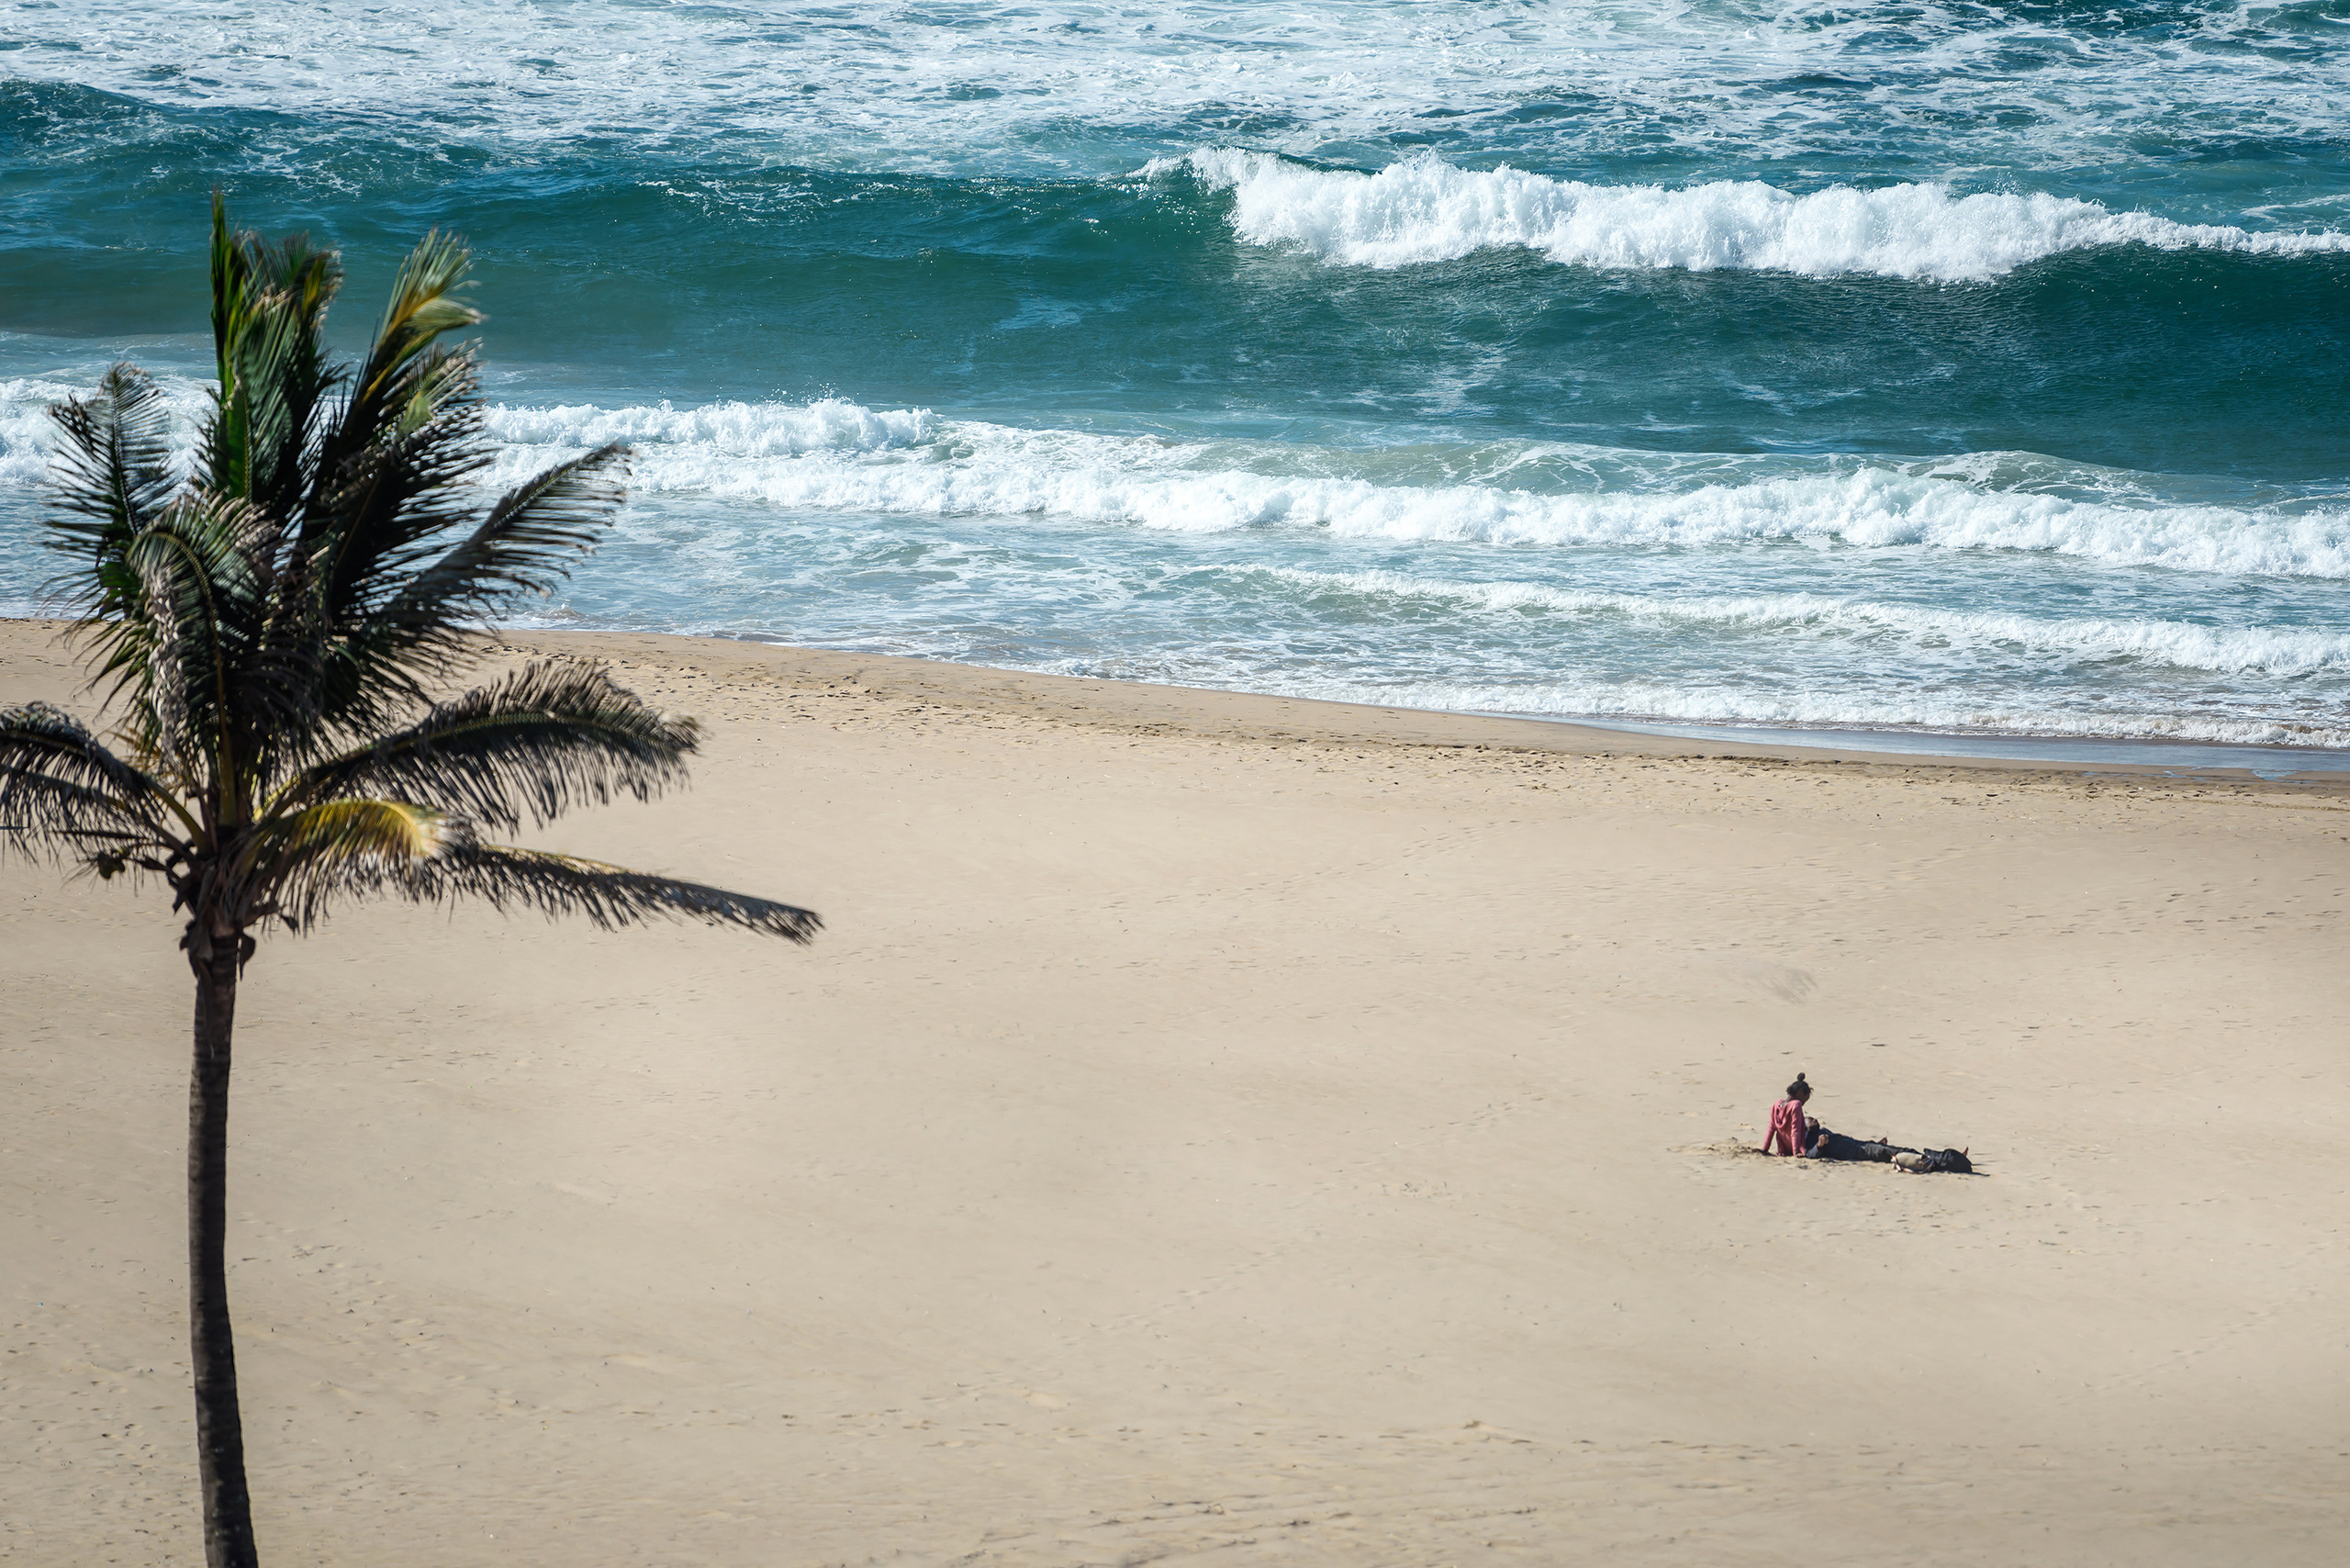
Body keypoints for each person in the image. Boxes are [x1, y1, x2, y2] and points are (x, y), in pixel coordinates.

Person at [1762, 1073, 1816, 1156]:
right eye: (1804, 1101)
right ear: (1801, 1093)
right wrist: (1796, 1152)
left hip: (1784, 1148)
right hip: (1800, 1145)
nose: (1803, 1104)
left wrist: (1765, 1148)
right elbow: (1795, 1130)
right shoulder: (1796, 1105)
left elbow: (1771, 1128)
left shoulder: (1776, 1105)